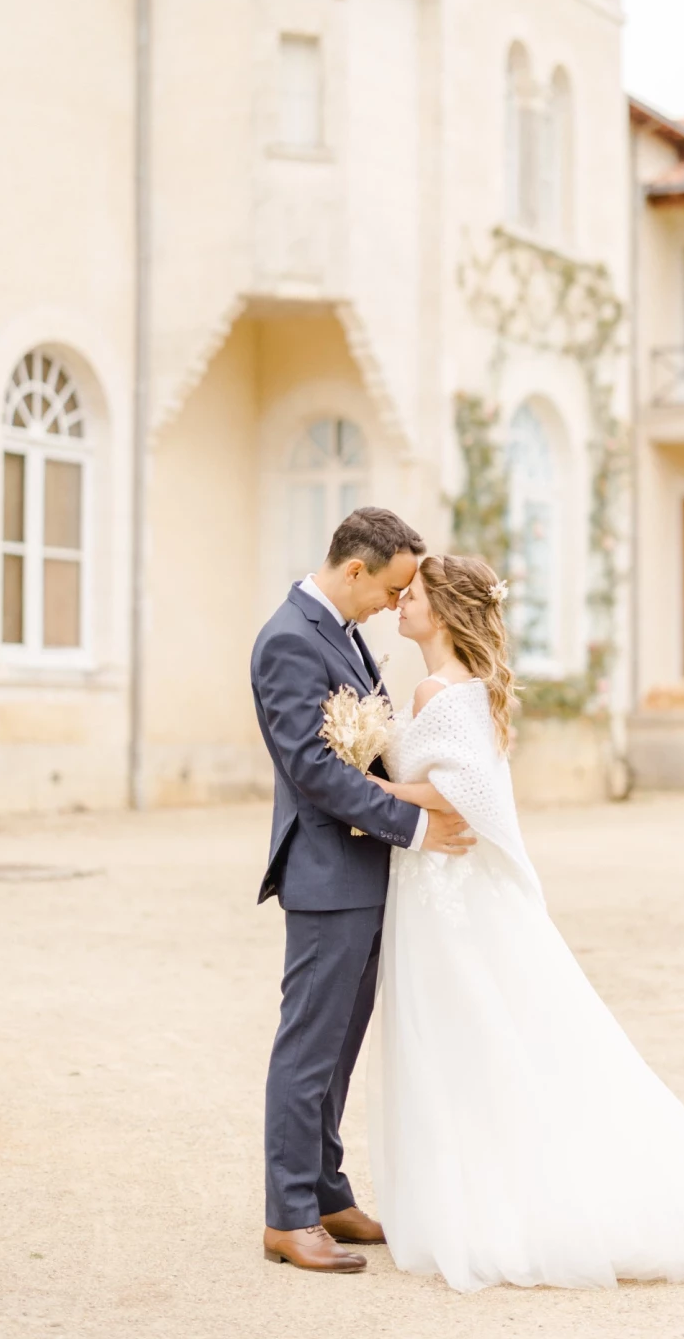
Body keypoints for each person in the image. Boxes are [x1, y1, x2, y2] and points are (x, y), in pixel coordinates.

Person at [365, 552, 684, 1291]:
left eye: (411, 595)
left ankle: (488, 1205)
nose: (400, 604)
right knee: (491, 1029)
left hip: (446, 887)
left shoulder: (436, 689)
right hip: (445, 882)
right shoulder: (468, 688)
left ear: (442, 611)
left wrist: (375, 789)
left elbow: (460, 791)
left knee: (460, 1035)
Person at [251, 508, 476, 1274]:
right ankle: (288, 1218)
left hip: (366, 870)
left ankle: (325, 1192)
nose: (394, 603)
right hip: (326, 876)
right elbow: (313, 768)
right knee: (308, 1047)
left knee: (338, 1050)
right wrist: (414, 826)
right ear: (355, 570)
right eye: (390, 588)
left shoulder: (343, 631)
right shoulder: (288, 638)